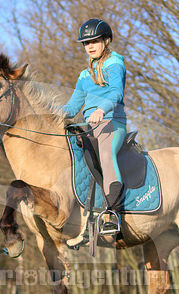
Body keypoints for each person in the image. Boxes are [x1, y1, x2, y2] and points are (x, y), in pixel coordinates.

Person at [63, 18, 127, 246]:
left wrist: (101, 109)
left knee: (106, 156)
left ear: (106, 41)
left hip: (112, 123)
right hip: (91, 127)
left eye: (95, 41)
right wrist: (51, 114)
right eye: (86, 43)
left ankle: (114, 215)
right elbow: (72, 107)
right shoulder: (83, 75)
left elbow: (116, 93)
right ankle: (84, 219)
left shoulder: (115, 64)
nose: (90, 46)